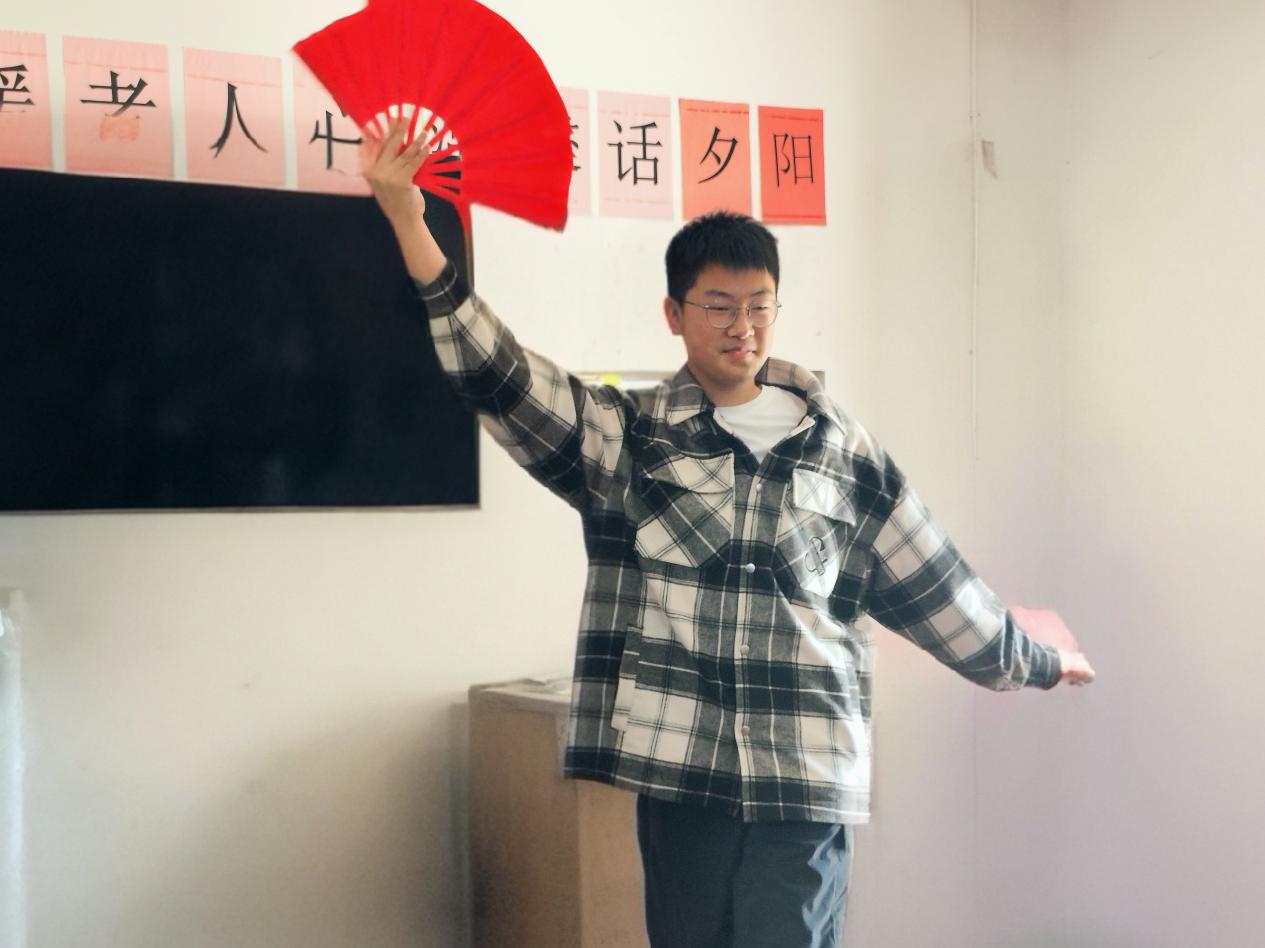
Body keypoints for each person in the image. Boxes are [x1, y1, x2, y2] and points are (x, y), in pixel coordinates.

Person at [360, 121, 1096, 948]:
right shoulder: (629, 440)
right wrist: (408, 218)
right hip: (686, 775)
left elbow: (933, 583)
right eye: (717, 307)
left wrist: (1038, 661)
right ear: (673, 314)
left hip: (804, 780)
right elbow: (497, 375)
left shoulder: (843, 452)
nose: (741, 326)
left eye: (758, 307)